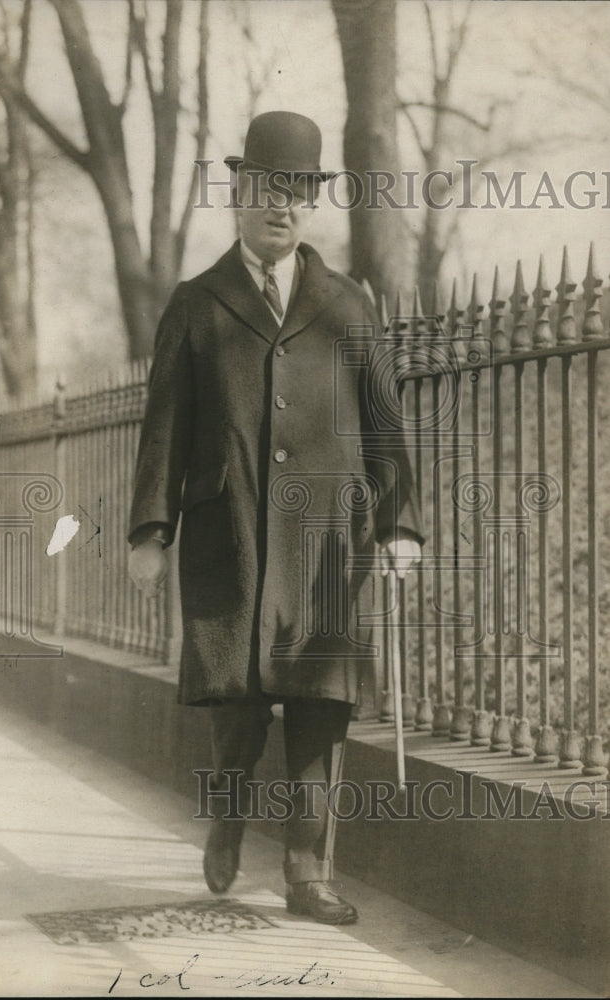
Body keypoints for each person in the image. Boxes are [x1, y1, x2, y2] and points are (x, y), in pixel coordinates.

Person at [128, 111, 422, 925]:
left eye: (295, 191)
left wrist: (399, 524)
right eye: (264, 189)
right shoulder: (197, 303)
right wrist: (150, 530)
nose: (279, 206)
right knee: (239, 703)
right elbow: (165, 427)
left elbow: (385, 426)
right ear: (239, 195)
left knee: (321, 705)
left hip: (329, 537)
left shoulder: (347, 305)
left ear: (310, 203)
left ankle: (307, 873)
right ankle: (227, 814)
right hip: (231, 531)